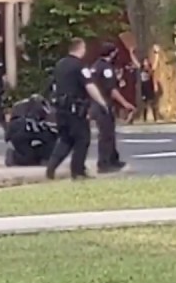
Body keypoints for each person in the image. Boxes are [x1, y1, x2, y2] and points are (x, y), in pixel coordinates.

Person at [45, 37, 111, 180]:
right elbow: (89, 85)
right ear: (80, 48)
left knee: (65, 139)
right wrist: (102, 102)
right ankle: (78, 171)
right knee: (82, 139)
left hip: (61, 109)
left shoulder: (60, 64)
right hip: (75, 109)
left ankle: (51, 168)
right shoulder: (80, 66)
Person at [91, 42, 133, 173]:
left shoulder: (95, 66)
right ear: (112, 53)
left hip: (95, 104)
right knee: (106, 135)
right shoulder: (106, 68)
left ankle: (113, 159)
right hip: (104, 104)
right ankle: (104, 163)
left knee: (108, 133)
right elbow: (112, 90)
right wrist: (125, 103)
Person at [5, 94, 58, 166]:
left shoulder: (18, 106)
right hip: (24, 129)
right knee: (52, 138)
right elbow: (53, 129)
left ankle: (17, 156)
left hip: (20, 130)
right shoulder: (45, 108)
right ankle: (43, 158)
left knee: (28, 156)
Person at [133, 57, 159, 123]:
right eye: (144, 61)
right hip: (144, 87)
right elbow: (136, 62)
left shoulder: (151, 69)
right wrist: (131, 54)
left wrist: (157, 55)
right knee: (145, 103)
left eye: (147, 61)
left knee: (152, 102)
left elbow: (155, 64)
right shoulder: (141, 68)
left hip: (150, 87)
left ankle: (155, 118)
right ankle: (144, 118)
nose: (146, 63)